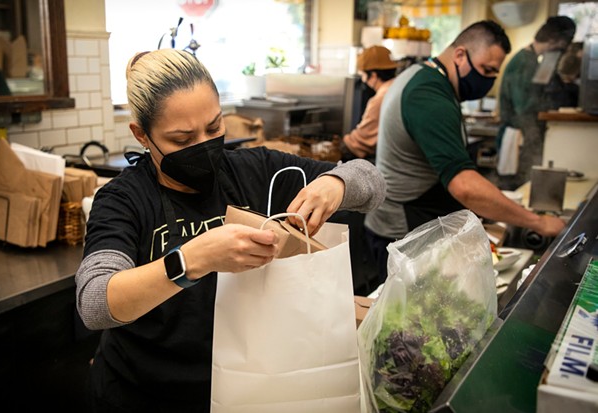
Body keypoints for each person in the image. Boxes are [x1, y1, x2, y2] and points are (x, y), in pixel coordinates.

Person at [75, 48, 385, 413]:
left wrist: (336, 182)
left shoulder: (254, 170)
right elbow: (95, 303)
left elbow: (372, 181)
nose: (204, 146)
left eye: (214, 127)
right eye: (181, 139)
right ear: (142, 135)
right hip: (145, 394)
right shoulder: (124, 199)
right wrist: (191, 260)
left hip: (250, 386)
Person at [364, 20, 566, 283]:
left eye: (495, 74)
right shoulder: (427, 94)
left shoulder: (427, 77)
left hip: (415, 224)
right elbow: (465, 186)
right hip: (404, 234)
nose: (489, 80)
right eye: (486, 69)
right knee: (411, 320)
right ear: (460, 55)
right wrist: (538, 222)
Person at [497, 16, 576, 190]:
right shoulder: (524, 62)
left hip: (524, 134)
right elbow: (523, 107)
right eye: (563, 45)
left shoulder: (533, 60)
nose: (563, 50)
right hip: (517, 136)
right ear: (555, 40)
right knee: (513, 188)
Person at [341, 45, 397, 162]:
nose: (363, 80)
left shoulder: (381, 98)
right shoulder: (397, 86)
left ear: (373, 75)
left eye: (363, 75)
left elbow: (363, 139)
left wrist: (343, 144)